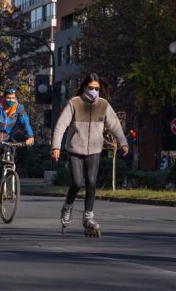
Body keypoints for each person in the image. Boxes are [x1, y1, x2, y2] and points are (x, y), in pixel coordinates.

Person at [52, 72, 129, 233]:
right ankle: (67, 207)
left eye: (97, 88)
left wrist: (123, 142)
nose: (94, 91)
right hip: (74, 149)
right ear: (84, 87)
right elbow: (60, 126)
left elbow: (114, 125)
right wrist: (56, 147)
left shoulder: (103, 105)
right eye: (91, 88)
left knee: (92, 182)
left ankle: (88, 216)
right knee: (77, 183)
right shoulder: (74, 103)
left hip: (94, 150)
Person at [0, 87, 34, 201]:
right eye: (9, 98)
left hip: (8, 138)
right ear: (3, 97)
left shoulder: (19, 108)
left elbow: (25, 121)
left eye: (13, 98)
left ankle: (9, 178)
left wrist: (30, 136)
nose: (11, 100)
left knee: (12, 157)